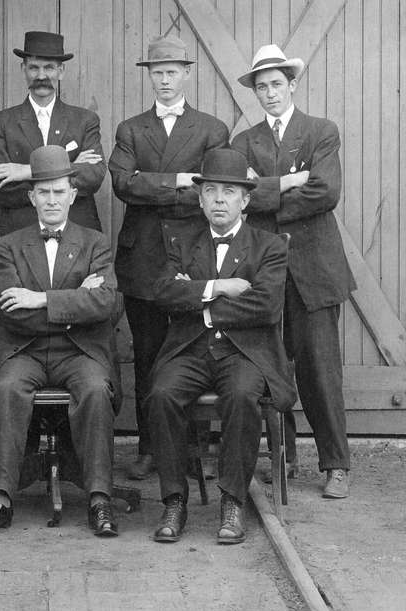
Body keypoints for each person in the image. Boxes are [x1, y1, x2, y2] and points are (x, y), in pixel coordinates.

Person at [144, 148, 295, 544]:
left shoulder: (269, 246)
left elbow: (266, 305)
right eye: (210, 192)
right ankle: (174, 500)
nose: (219, 201)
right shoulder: (180, 242)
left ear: (245, 200)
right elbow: (163, 293)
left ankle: (232, 500)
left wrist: (199, 302)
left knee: (243, 396)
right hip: (191, 349)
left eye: (229, 192)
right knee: (161, 395)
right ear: (199, 198)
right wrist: (219, 287)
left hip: (244, 352)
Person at [0, 145, 122, 538]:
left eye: (60, 192)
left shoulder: (96, 243)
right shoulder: (9, 244)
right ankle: (0, 499)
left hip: (80, 352)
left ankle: (99, 499)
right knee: (7, 389)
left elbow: (105, 303)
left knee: (94, 388)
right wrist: (77, 301)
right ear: (31, 197)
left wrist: (40, 299)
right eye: (45, 192)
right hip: (26, 350)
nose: (52, 200)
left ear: (74, 195)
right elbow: (12, 313)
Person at [230, 44, 356, 499]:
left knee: (321, 370)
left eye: (276, 85)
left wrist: (266, 195)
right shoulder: (243, 141)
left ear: (292, 85)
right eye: (261, 87)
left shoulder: (321, 131)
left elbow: (326, 192)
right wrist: (289, 182)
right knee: (271, 365)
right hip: (266, 269)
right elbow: (240, 196)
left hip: (316, 270)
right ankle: (284, 458)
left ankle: (336, 464)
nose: (269, 93)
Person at [109, 35, 229, 480]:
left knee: (192, 349)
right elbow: (122, 184)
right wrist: (180, 180)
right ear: (149, 77)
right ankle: (149, 447)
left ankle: (192, 449)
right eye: (157, 73)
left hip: (193, 257)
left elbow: (212, 189)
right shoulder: (130, 128)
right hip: (142, 258)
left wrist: (152, 185)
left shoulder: (212, 129)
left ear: (187, 74)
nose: (163, 80)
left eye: (172, 72)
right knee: (146, 353)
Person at [0, 31, 106, 290]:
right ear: (23, 69)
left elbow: (94, 176)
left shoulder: (84, 121)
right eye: (34, 67)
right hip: (18, 241)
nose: (41, 76)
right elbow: (2, 189)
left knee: (81, 317)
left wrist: (24, 171)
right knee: (16, 321)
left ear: (61, 71)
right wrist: (72, 166)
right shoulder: (2, 123)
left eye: (49, 67)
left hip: (77, 241)